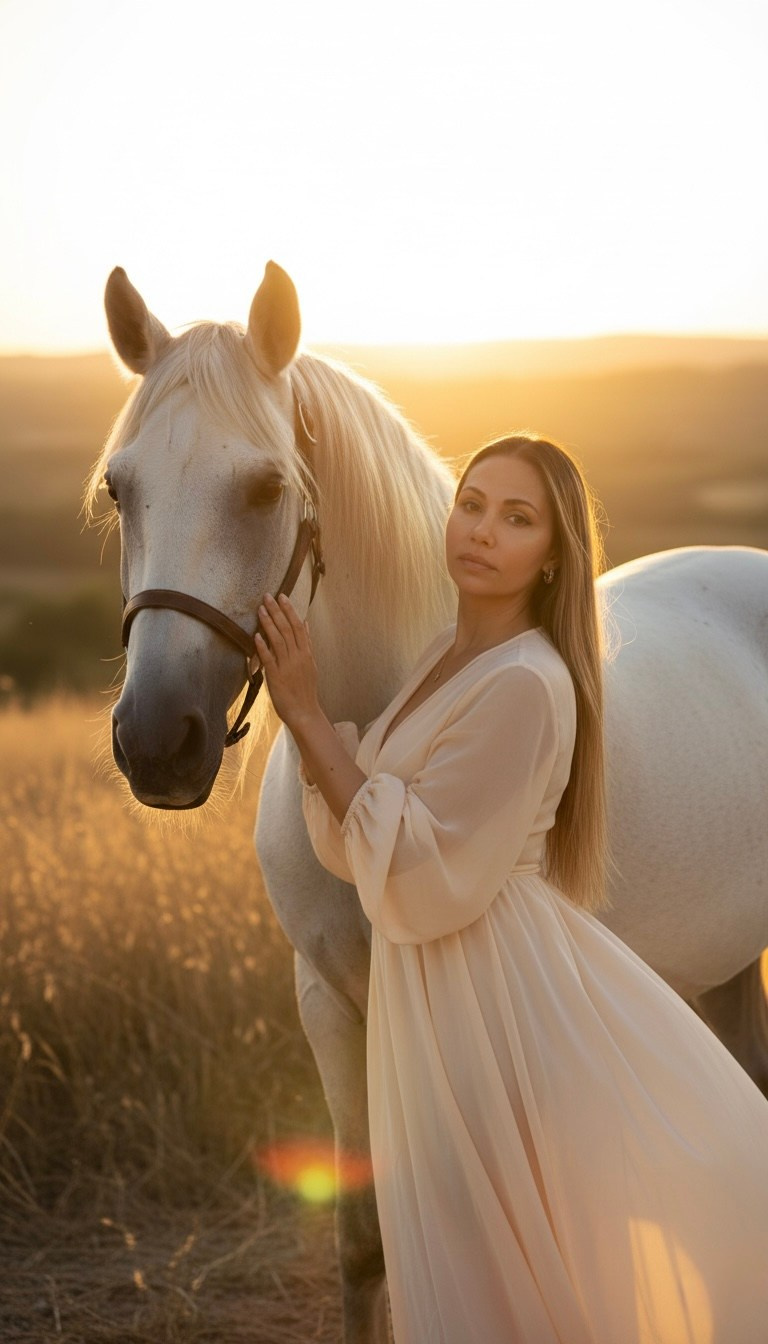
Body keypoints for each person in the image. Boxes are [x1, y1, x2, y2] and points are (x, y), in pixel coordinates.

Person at [254, 433, 768, 1344]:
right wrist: (313, 734)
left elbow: (414, 876)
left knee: (505, 1261)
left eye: (518, 518)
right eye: (473, 503)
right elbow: (353, 842)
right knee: (459, 1261)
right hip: (439, 979)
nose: (483, 531)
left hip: (489, 984)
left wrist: (304, 712)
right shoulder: (439, 665)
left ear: (554, 555)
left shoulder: (529, 683)